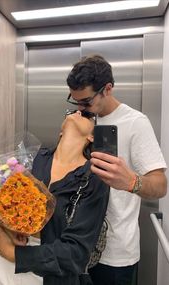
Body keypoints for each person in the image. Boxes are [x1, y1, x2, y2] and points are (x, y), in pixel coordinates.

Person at [66, 54, 167, 285]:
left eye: (86, 102)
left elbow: (160, 185)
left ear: (107, 89)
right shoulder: (80, 120)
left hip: (115, 253)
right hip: (75, 244)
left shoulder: (136, 122)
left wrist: (132, 182)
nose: (81, 108)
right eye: (75, 102)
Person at [0, 110, 110, 285]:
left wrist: (15, 255)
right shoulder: (30, 159)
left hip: (47, 275)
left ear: (92, 137)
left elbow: (78, 252)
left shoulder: (94, 179)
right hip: (0, 263)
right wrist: (0, 227)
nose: (77, 111)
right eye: (71, 112)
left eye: (86, 115)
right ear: (61, 131)